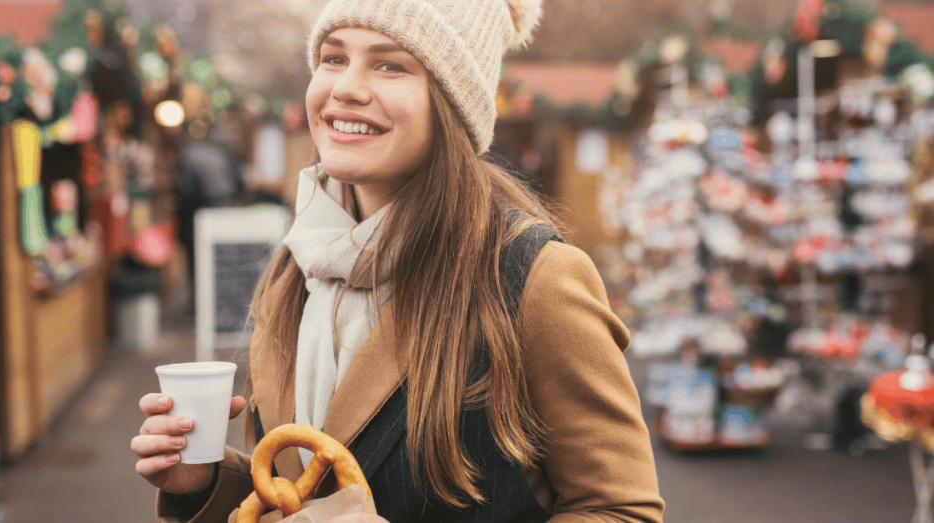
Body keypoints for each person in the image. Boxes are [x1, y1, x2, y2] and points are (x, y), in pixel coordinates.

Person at [132, 0, 665, 521]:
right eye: (333, 58)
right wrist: (204, 484)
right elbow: (296, 493)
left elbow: (622, 509)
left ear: (453, 103)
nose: (345, 87)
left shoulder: (534, 280)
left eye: (390, 65)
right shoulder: (296, 270)